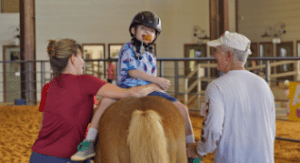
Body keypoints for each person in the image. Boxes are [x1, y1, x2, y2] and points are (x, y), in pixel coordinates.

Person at [72, 11, 198, 161]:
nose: (147, 33)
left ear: (155, 36)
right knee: (104, 103)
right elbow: (132, 71)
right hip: (127, 88)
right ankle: (89, 142)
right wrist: (156, 79)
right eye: (143, 29)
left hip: (149, 91)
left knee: (183, 109)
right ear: (133, 31)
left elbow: (151, 81)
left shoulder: (151, 56)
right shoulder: (127, 48)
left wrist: (157, 84)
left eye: (151, 31)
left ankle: (190, 147)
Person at [29, 39, 160, 163]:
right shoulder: (85, 82)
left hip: (37, 156)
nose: (83, 62)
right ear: (73, 59)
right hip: (66, 158)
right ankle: (88, 144)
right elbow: (130, 93)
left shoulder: (49, 86)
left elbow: (44, 126)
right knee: (109, 97)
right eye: (81, 57)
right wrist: (154, 85)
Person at [188, 31, 276, 163]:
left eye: (217, 51)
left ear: (228, 56)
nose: (214, 55)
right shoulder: (263, 85)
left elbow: (213, 128)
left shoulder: (216, 87)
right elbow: (271, 130)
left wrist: (199, 150)